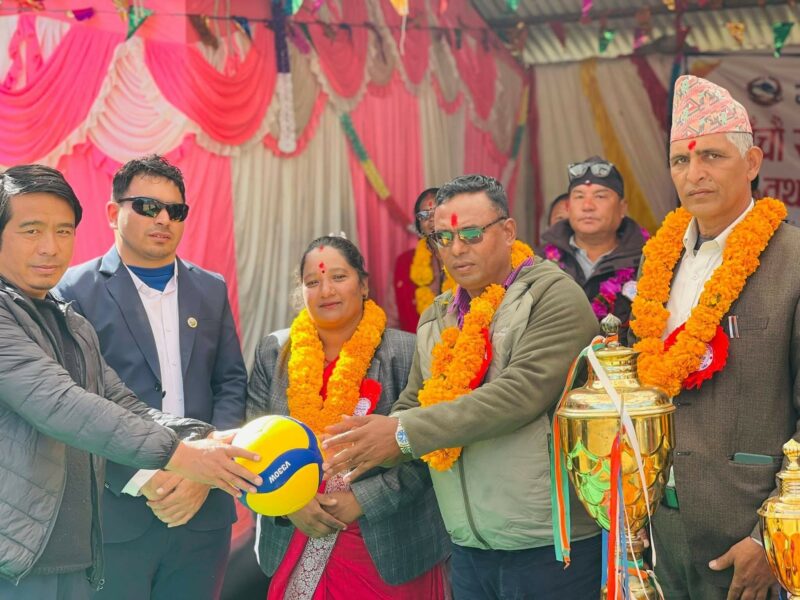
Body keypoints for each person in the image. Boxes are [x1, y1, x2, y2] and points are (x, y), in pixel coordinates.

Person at [323, 175, 602, 600]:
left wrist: (402, 433)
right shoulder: (438, 314)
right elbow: (413, 401)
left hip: (549, 545)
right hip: (466, 546)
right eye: (443, 237)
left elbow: (519, 394)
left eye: (471, 234)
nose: (456, 249)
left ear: (508, 231)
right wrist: (359, 443)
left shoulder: (552, 295)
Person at [0, 164, 261, 600]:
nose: (50, 247)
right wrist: (181, 456)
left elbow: (123, 402)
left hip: (74, 550)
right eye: (31, 231)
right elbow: (65, 404)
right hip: (18, 554)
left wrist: (207, 440)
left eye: (63, 231)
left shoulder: (68, 321)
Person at [628, 75, 799, 598]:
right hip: (660, 533)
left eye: (712, 156)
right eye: (681, 160)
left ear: (752, 163)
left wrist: (773, 537)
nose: (694, 173)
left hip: (750, 535)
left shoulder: (793, 262)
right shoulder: (659, 261)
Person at [247, 235, 449, 599]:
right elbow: (248, 448)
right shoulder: (274, 352)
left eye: (339, 277)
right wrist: (289, 503)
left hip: (384, 543)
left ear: (364, 284)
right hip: (296, 533)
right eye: (312, 281)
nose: (326, 290)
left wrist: (362, 500)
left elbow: (430, 449)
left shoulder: (407, 352)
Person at [538, 156, 647, 338]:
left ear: (622, 208)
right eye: (579, 196)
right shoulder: (538, 262)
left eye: (600, 196)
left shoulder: (648, 263)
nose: (587, 206)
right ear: (568, 207)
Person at [388, 188, 454, 333]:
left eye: (437, 211)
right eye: (424, 215)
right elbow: (393, 321)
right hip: (414, 343)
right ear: (419, 226)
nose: (431, 219)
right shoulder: (405, 263)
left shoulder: (466, 255)